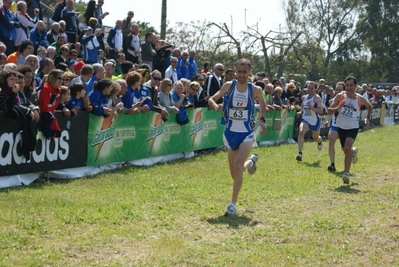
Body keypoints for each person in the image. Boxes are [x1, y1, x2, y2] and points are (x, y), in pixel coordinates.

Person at [207, 58, 267, 217]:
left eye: (244, 72)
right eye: (239, 72)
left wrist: (261, 119)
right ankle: (252, 162)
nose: (241, 75)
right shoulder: (229, 86)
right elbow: (212, 98)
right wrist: (215, 106)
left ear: (249, 72)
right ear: (235, 71)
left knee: (238, 167)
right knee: (234, 173)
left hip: (247, 133)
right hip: (230, 133)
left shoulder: (254, 90)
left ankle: (232, 205)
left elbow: (263, 103)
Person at [327, 76, 372, 184]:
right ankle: (353, 152)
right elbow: (328, 111)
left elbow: (369, 106)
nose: (349, 88)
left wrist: (367, 118)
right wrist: (338, 107)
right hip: (341, 127)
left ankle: (346, 173)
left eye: (351, 85)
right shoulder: (340, 96)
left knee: (347, 147)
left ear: (356, 86)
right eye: (347, 85)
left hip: (353, 127)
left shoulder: (359, 98)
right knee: (345, 149)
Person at [296, 81, 324, 162]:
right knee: (301, 132)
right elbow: (302, 107)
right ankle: (300, 154)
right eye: (309, 88)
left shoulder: (317, 98)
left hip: (314, 121)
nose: (310, 89)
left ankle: (319, 140)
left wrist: (312, 108)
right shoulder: (304, 97)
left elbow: (321, 111)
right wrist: (300, 112)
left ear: (315, 89)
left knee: (315, 138)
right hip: (306, 119)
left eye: (312, 88)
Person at [324, 82, 344, 172]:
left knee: (345, 148)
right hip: (335, 125)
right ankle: (332, 164)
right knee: (331, 141)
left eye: (340, 90)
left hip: (345, 126)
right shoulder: (332, 100)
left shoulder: (348, 100)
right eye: (337, 89)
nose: (338, 91)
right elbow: (330, 111)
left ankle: (352, 152)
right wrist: (328, 120)